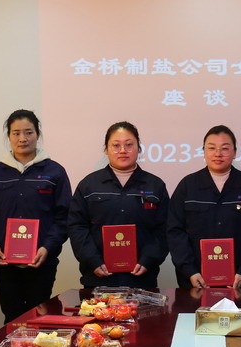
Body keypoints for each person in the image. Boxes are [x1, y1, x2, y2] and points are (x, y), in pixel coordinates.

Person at [0, 110, 71, 323]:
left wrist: (47, 248)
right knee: (12, 320)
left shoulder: (55, 172)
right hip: (4, 264)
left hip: (42, 262)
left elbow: (64, 217)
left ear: (38, 134)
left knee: (39, 320)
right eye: (16, 133)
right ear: (8, 136)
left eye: (28, 132)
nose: (22, 138)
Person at [68, 121, 169, 288]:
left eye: (129, 145)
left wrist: (148, 260)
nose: (123, 150)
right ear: (106, 150)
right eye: (116, 145)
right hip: (98, 278)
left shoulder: (155, 185)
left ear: (139, 148)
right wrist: (93, 260)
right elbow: (76, 226)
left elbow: (164, 229)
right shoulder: (89, 185)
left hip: (142, 278)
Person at [167, 125, 241, 288]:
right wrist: (190, 271)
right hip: (196, 280)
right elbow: (174, 231)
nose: (218, 154)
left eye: (225, 148)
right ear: (203, 152)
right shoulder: (187, 185)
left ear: (235, 152)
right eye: (211, 148)